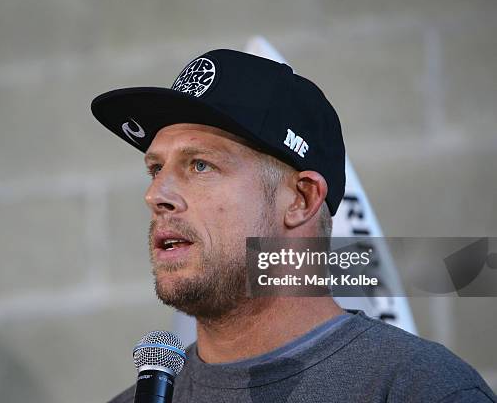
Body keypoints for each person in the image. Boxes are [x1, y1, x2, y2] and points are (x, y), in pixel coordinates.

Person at [91, 49, 496, 402]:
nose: (156, 195)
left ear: (301, 199)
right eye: (156, 168)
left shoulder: (420, 389)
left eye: (200, 165)